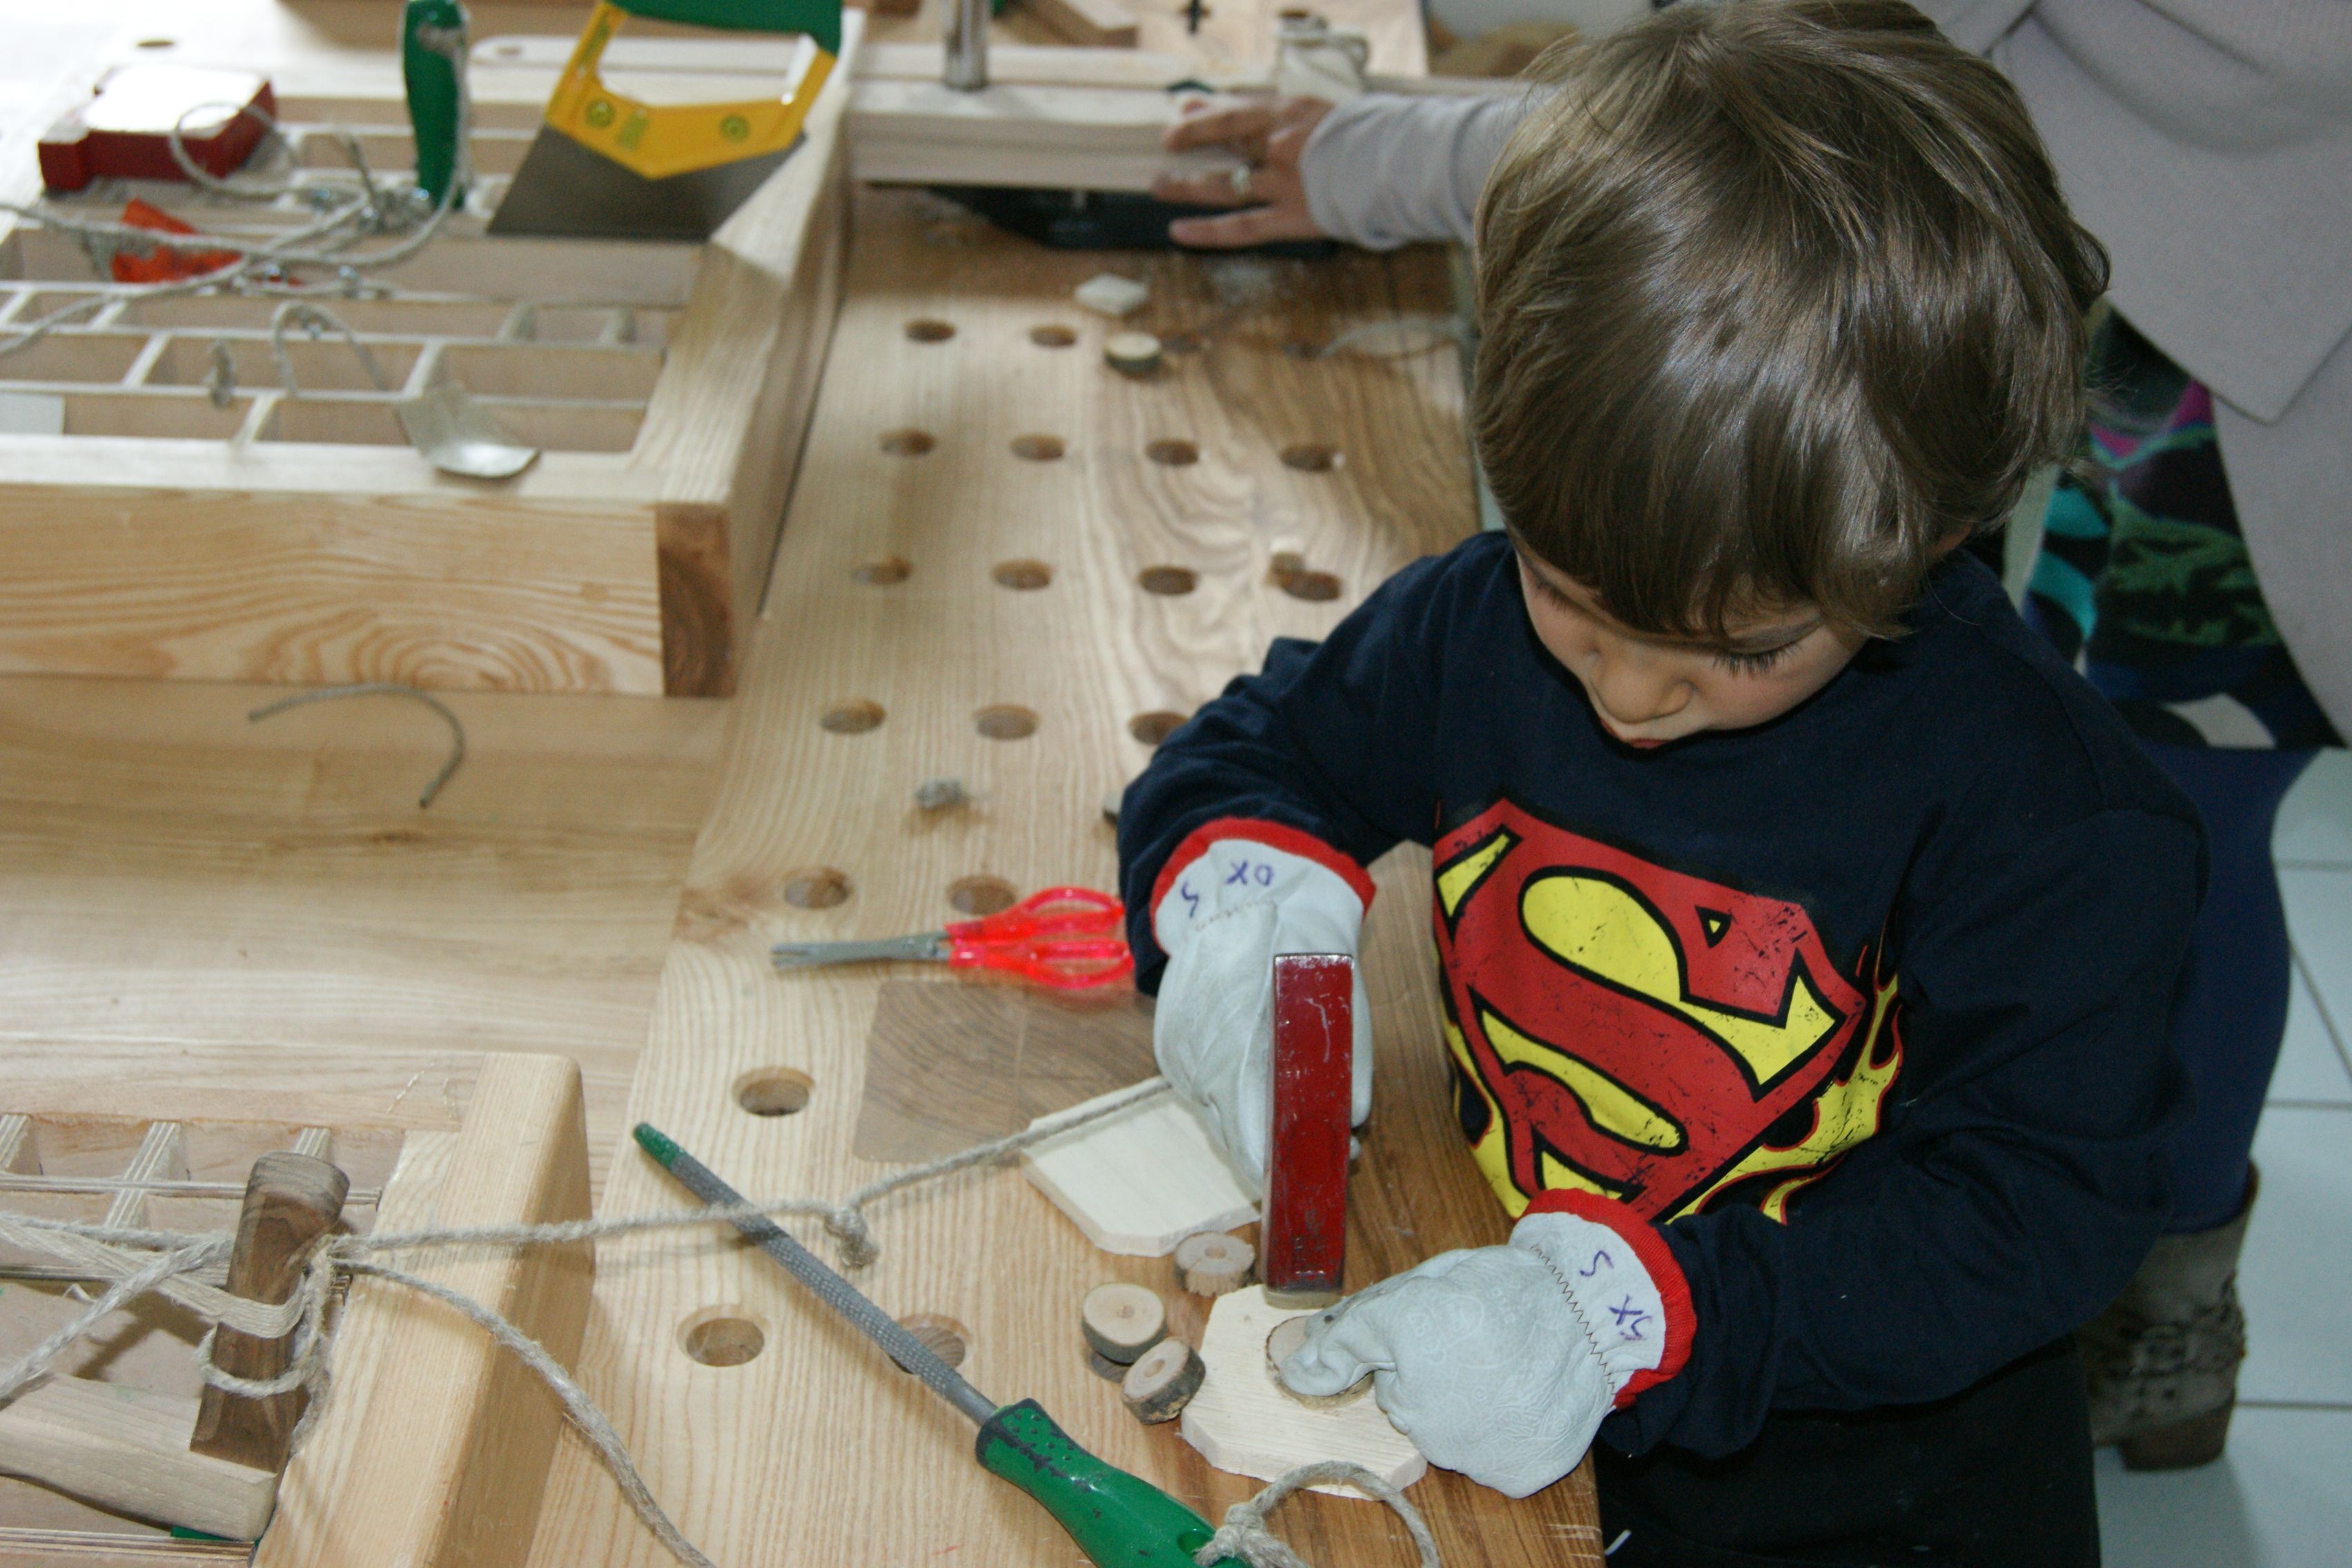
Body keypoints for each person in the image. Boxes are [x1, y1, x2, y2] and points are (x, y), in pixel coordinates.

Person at [1153, 0, 2352, 1475]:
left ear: (1932, 531)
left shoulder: (2054, 818)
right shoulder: (1473, 623)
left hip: (1845, 1445)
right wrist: (1242, 912)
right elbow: (1257, 754)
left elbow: (2036, 1208)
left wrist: (1627, 1319)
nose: (1629, 695)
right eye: (1572, 600)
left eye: (1741, 651)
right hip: (1506, 1334)